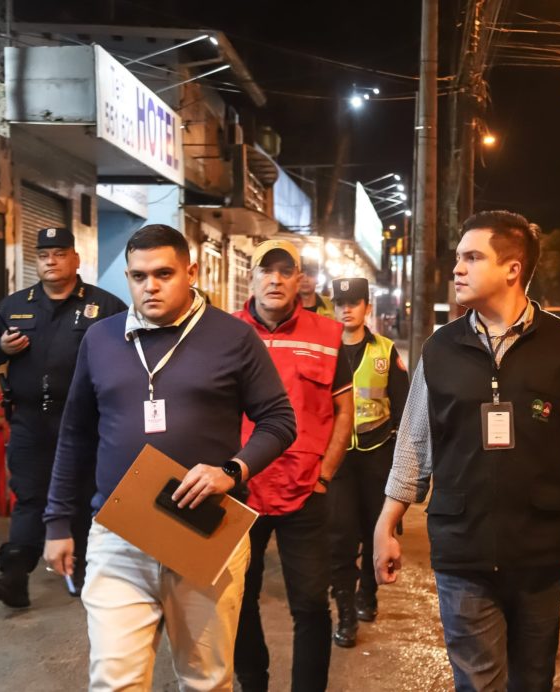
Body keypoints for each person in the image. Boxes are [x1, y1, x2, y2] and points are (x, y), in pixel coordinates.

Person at [373, 210, 560, 691]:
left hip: (540, 547)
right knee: (477, 682)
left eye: (472, 257)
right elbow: (414, 442)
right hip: (462, 544)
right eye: (458, 258)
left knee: (533, 679)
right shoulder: (440, 349)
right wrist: (387, 522)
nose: (457, 269)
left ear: (512, 269)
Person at [43, 224, 296, 691]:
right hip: (119, 535)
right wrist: (58, 522)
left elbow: (279, 420)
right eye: (138, 276)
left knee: (206, 682)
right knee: (113, 681)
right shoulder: (100, 340)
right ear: (127, 277)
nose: (150, 287)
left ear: (190, 272)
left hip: (204, 531)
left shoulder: (233, 337)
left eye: (164, 274)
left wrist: (232, 471)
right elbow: (75, 434)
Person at [0, 227, 126, 608]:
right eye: (44, 255)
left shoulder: (105, 306)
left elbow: (132, 353)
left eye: (59, 254)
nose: (51, 261)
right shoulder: (15, 305)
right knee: (29, 495)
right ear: (37, 261)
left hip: (86, 423)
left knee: (85, 494)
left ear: (75, 259)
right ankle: (14, 576)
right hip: (30, 421)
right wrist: (1, 346)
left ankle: (83, 571)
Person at [232, 239, 355, 692]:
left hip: (304, 491)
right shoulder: (225, 333)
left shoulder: (327, 335)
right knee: (239, 598)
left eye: (286, 271)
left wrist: (325, 474)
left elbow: (344, 409)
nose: (276, 280)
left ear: (300, 279)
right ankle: (253, 683)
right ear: (252, 277)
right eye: (267, 270)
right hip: (241, 490)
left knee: (310, 605)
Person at [327, 277, 409, 648]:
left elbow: (403, 407)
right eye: (340, 303)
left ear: (367, 307)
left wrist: (400, 457)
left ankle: (368, 594)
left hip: (377, 455)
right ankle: (345, 613)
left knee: (373, 529)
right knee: (340, 537)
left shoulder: (385, 350)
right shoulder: (325, 349)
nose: (347, 309)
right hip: (337, 457)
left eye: (354, 302)